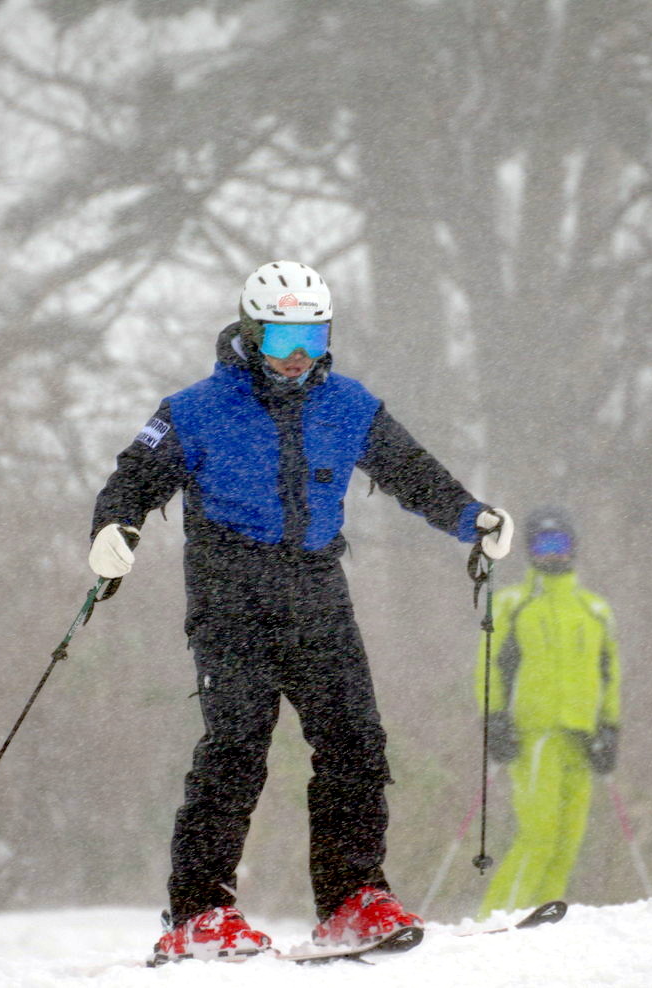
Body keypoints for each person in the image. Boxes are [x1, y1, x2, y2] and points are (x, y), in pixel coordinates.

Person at [88, 260, 514, 965]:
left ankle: (352, 899)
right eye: (284, 336)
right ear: (251, 332)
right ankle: (199, 914)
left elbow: (413, 473)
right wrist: (113, 530)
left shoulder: (348, 405)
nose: (297, 355)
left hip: (317, 586)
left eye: (313, 338)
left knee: (355, 741)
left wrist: (472, 517)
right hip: (230, 588)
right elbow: (130, 480)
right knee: (236, 746)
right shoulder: (192, 410)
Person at [474, 507, 619, 918]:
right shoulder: (514, 605)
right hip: (534, 735)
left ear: (574, 549)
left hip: (583, 736)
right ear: (530, 551)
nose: (553, 554)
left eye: (561, 545)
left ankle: (543, 919)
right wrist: (495, 719)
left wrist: (611, 728)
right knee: (539, 834)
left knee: (567, 841)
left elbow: (610, 675)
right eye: (544, 545)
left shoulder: (594, 610)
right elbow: (490, 668)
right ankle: (497, 918)